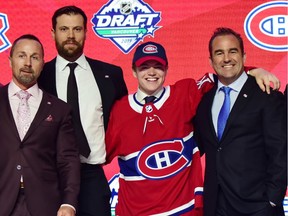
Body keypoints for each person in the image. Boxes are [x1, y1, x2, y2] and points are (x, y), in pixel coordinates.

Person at [105, 40, 281, 215]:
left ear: (166, 69)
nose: (152, 72)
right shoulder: (119, 110)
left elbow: (226, 74)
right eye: (144, 67)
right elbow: (99, 154)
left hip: (184, 210)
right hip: (135, 212)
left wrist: (253, 71)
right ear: (134, 72)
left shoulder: (185, 92)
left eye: (158, 66)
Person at [37, 5, 128, 216]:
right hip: (50, 174)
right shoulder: (40, 76)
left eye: (77, 29)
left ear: (86, 32)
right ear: (53, 33)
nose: (70, 35)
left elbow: (125, 120)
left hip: (92, 175)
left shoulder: (110, 74)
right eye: (64, 29)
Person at [193, 27, 287, 216]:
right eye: (219, 53)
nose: (226, 58)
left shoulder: (266, 95)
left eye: (233, 51)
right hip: (216, 205)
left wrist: (272, 199)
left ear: (244, 56)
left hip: (258, 206)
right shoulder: (203, 100)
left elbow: (281, 150)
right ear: (211, 61)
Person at [0, 34, 80, 216]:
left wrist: (69, 203)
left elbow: (68, 160)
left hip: (44, 204)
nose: (28, 63)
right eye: (21, 55)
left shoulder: (60, 109)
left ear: (43, 63)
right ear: (10, 60)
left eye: (34, 57)